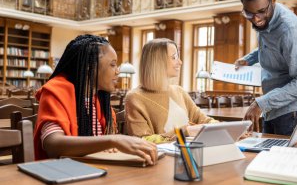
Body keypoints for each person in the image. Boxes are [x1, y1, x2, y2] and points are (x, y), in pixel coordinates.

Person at [34, 34, 157, 165]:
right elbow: (53, 145)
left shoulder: (97, 99)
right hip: (61, 173)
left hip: (94, 170)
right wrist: (113, 140)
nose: (117, 72)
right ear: (89, 67)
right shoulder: (56, 91)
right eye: (113, 65)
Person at [234, 0, 297, 136]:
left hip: (292, 109)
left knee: (284, 160)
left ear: (273, 0)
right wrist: (248, 59)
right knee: (268, 154)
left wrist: (261, 103)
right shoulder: (265, 18)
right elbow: (272, 47)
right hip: (272, 106)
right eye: (249, 13)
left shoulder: (291, 30)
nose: (256, 19)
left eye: (261, 12)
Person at [125, 38, 217, 143]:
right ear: (158, 61)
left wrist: (223, 127)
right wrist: (185, 131)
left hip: (191, 152)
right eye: (174, 57)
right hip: (161, 157)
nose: (180, 62)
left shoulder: (179, 91)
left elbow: (204, 120)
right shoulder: (134, 97)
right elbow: (142, 140)